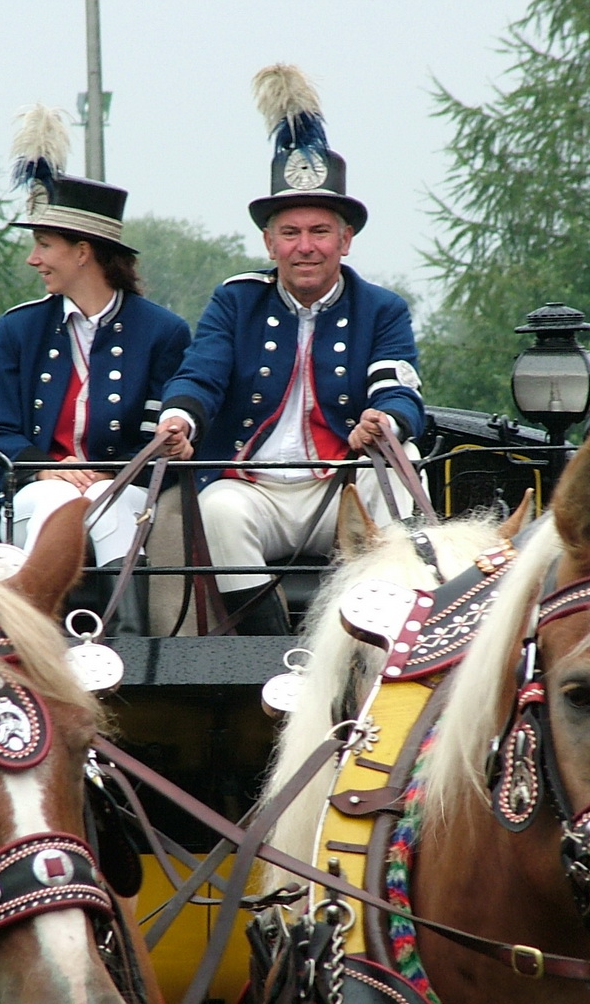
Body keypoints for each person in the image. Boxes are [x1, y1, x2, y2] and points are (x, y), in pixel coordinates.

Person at [154, 64, 426, 635]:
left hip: (343, 485)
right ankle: (272, 649)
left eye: (320, 232)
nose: (306, 247)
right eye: (291, 233)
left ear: (346, 240)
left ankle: (387, 636)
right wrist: (178, 418)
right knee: (220, 509)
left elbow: (398, 388)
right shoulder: (235, 300)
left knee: (403, 473)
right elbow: (201, 373)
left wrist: (384, 421)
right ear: (269, 241)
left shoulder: (383, 308)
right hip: (254, 490)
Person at [0, 103, 190, 632]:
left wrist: (108, 474)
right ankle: (33, 637)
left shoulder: (163, 332)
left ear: (83, 252)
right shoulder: (18, 330)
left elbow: (160, 434)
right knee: (51, 498)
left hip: (123, 485)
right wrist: (46, 466)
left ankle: (127, 641)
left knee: (106, 502)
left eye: (44, 245)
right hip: (39, 482)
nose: (34, 258)